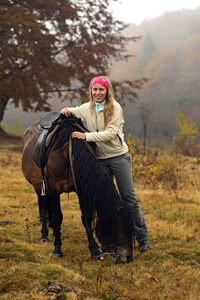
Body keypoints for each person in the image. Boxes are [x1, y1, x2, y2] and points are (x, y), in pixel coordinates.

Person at [61, 76, 150, 252]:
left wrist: (85, 137)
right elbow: (75, 110)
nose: (98, 93)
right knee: (104, 201)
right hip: (99, 161)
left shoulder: (115, 108)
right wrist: (66, 110)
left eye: (101, 89)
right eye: (95, 89)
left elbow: (110, 133)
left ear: (107, 91)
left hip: (118, 157)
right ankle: (107, 239)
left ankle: (142, 238)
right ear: (91, 91)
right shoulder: (87, 108)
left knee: (128, 197)